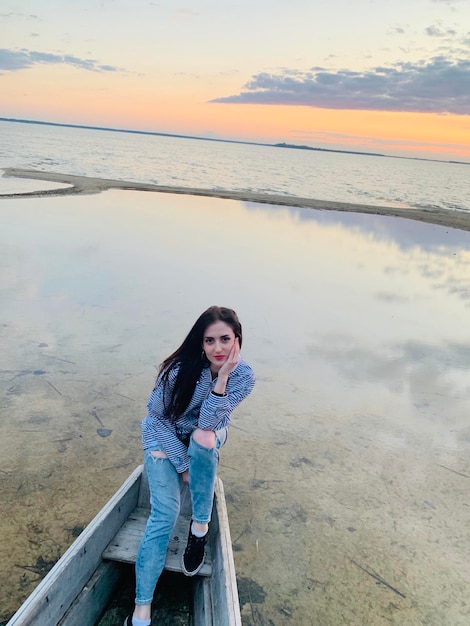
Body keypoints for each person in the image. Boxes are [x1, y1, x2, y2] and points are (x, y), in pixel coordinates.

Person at [125, 305, 255, 626]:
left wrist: (222, 378)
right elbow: (155, 418)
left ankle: (199, 527)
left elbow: (211, 423)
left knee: (205, 437)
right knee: (164, 514)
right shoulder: (178, 371)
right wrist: (183, 464)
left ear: (237, 339)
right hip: (163, 435)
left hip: (205, 434)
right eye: (210, 341)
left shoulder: (244, 376)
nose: (218, 348)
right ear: (201, 343)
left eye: (225, 339)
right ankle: (142, 607)